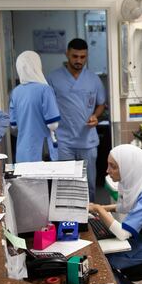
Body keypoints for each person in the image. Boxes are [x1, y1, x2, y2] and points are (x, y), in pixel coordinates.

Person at [88, 144, 142, 270]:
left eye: (113, 167)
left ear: (129, 168)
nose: (107, 170)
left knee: (103, 261)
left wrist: (99, 209)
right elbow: (127, 206)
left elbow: (122, 234)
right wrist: (104, 208)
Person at [47, 38, 106, 200]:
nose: (79, 60)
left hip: (87, 140)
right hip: (63, 141)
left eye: (82, 57)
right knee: (66, 184)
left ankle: (90, 218)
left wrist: (95, 116)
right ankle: (68, 219)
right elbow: (46, 106)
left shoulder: (93, 79)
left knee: (89, 183)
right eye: (75, 56)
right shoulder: (53, 78)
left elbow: (101, 104)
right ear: (67, 54)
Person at [9, 51, 61, 162]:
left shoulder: (16, 92)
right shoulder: (45, 90)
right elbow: (53, 124)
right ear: (37, 67)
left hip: (22, 151)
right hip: (41, 151)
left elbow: (13, 125)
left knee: (26, 179)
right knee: (43, 179)